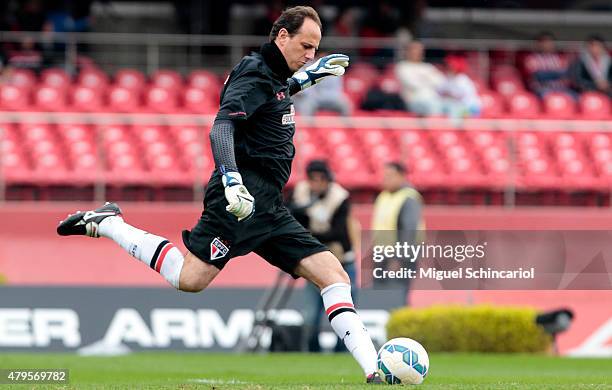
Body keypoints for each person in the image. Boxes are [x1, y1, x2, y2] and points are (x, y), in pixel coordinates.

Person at [57, 6, 383, 384]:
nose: (311, 54)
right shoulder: (253, 72)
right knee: (189, 279)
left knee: (334, 275)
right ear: (282, 37)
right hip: (239, 202)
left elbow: (272, 94)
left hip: (271, 207)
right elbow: (222, 128)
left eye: (315, 48)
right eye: (306, 46)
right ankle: (110, 223)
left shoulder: (273, 76)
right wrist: (231, 178)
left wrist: (305, 79)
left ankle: (374, 369)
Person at [287, 160, 357, 352]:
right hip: (313, 261)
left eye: (321, 179)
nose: (316, 184)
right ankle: (313, 350)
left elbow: (339, 233)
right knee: (311, 312)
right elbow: (286, 216)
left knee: (344, 312)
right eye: (312, 179)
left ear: (328, 180)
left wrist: (306, 236)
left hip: (340, 261)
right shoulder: (300, 192)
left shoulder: (340, 197)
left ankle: (342, 351)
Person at [371, 162, 424, 306]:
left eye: (390, 176)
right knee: (381, 294)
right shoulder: (384, 196)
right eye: (384, 176)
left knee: (397, 294)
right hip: (383, 254)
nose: (385, 179)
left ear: (401, 176)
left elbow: (408, 230)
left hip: (398, 258)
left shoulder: (408, 197)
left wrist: (400, 258)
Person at [293, 51, 352, 117]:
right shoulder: (311, 70)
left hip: (332, 99)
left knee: (345, 104)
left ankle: (346, 125)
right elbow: (308, 89)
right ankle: (308, 125)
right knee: (306, 104)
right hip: (315, 99)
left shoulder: (337, 71)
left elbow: (338, 90)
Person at [395, 40, 445, 116]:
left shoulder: (428, 66)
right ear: (408, 51)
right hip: (414, 101)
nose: (418, 52)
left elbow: (441, 82)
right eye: (415, 49)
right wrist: (429, 78)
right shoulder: (402, 66)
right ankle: (435, 127)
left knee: (454, 106)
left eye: (420, 50)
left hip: (434, 99)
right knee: (434, 107)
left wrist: (422, 78)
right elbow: (413, 84)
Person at [523, 32, 573, 98]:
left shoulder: (560, 59)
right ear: (538, 44)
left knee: (576, 97)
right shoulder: (531, 59)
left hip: (562, 89)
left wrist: (552, 74)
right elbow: (538, 76)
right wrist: (558, 73)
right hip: (541, 90)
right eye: (544, 42)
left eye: (550, 42)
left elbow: (567, 74)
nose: (547, 45)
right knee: (547, 97)